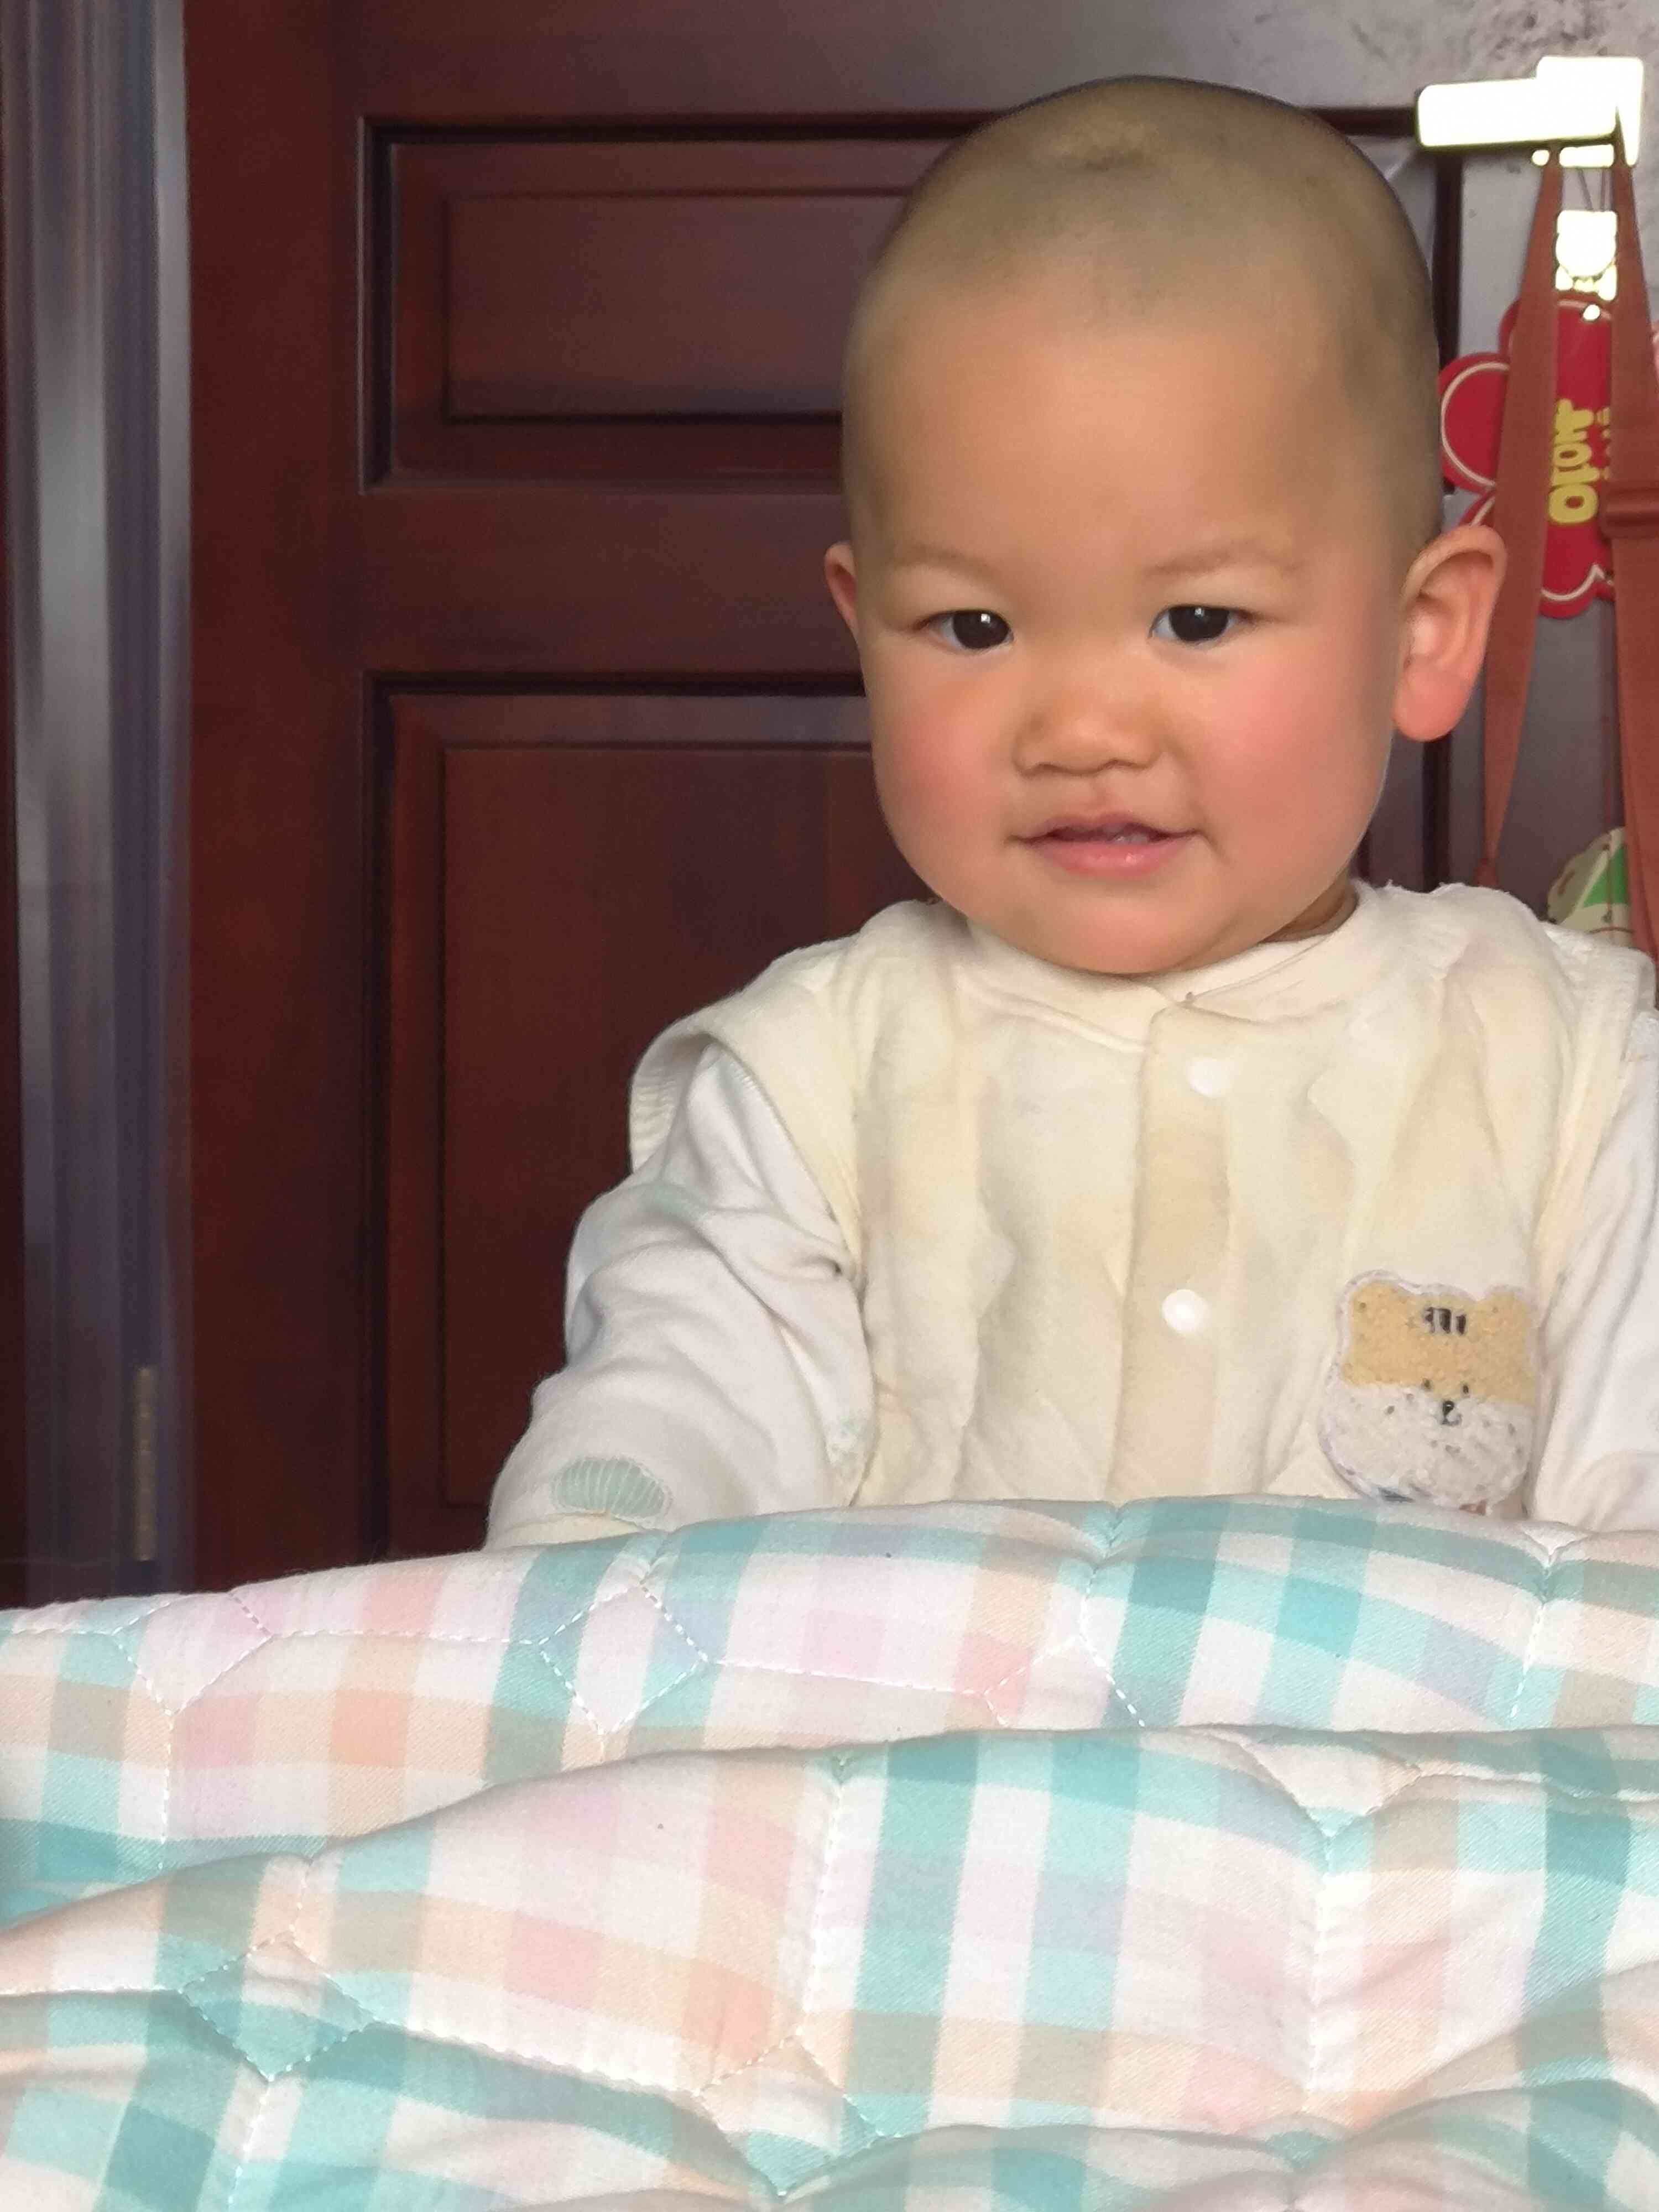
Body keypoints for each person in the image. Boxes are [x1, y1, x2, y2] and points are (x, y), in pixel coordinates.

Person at [486, 75, 1659, 1550]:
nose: (1083, 732)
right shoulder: (810, 1082)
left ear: (1421, 638)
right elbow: (658, 1438)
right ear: (864, 633)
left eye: (1199, 619)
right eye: (973, 629)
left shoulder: (1574, 1075)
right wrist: (576, 1578)